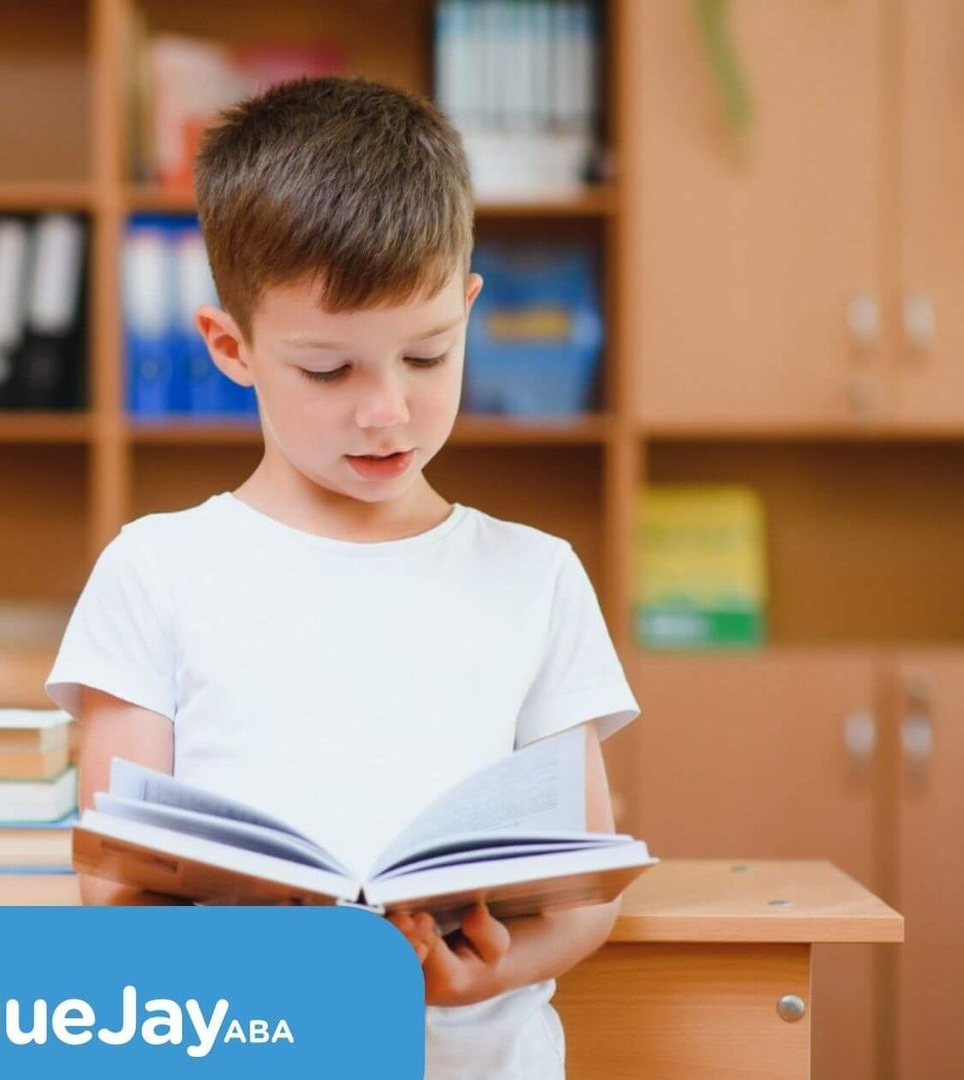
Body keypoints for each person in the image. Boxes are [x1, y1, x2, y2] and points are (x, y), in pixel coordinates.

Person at [46, 76, 637, 1078]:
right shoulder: (157, 570)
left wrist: (487, 971)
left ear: (468, 309)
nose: (386, 413)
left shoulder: (536, 577)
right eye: (330, 371)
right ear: (231, 347)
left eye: (427, 355)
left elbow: (587, 887)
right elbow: (113, 886)